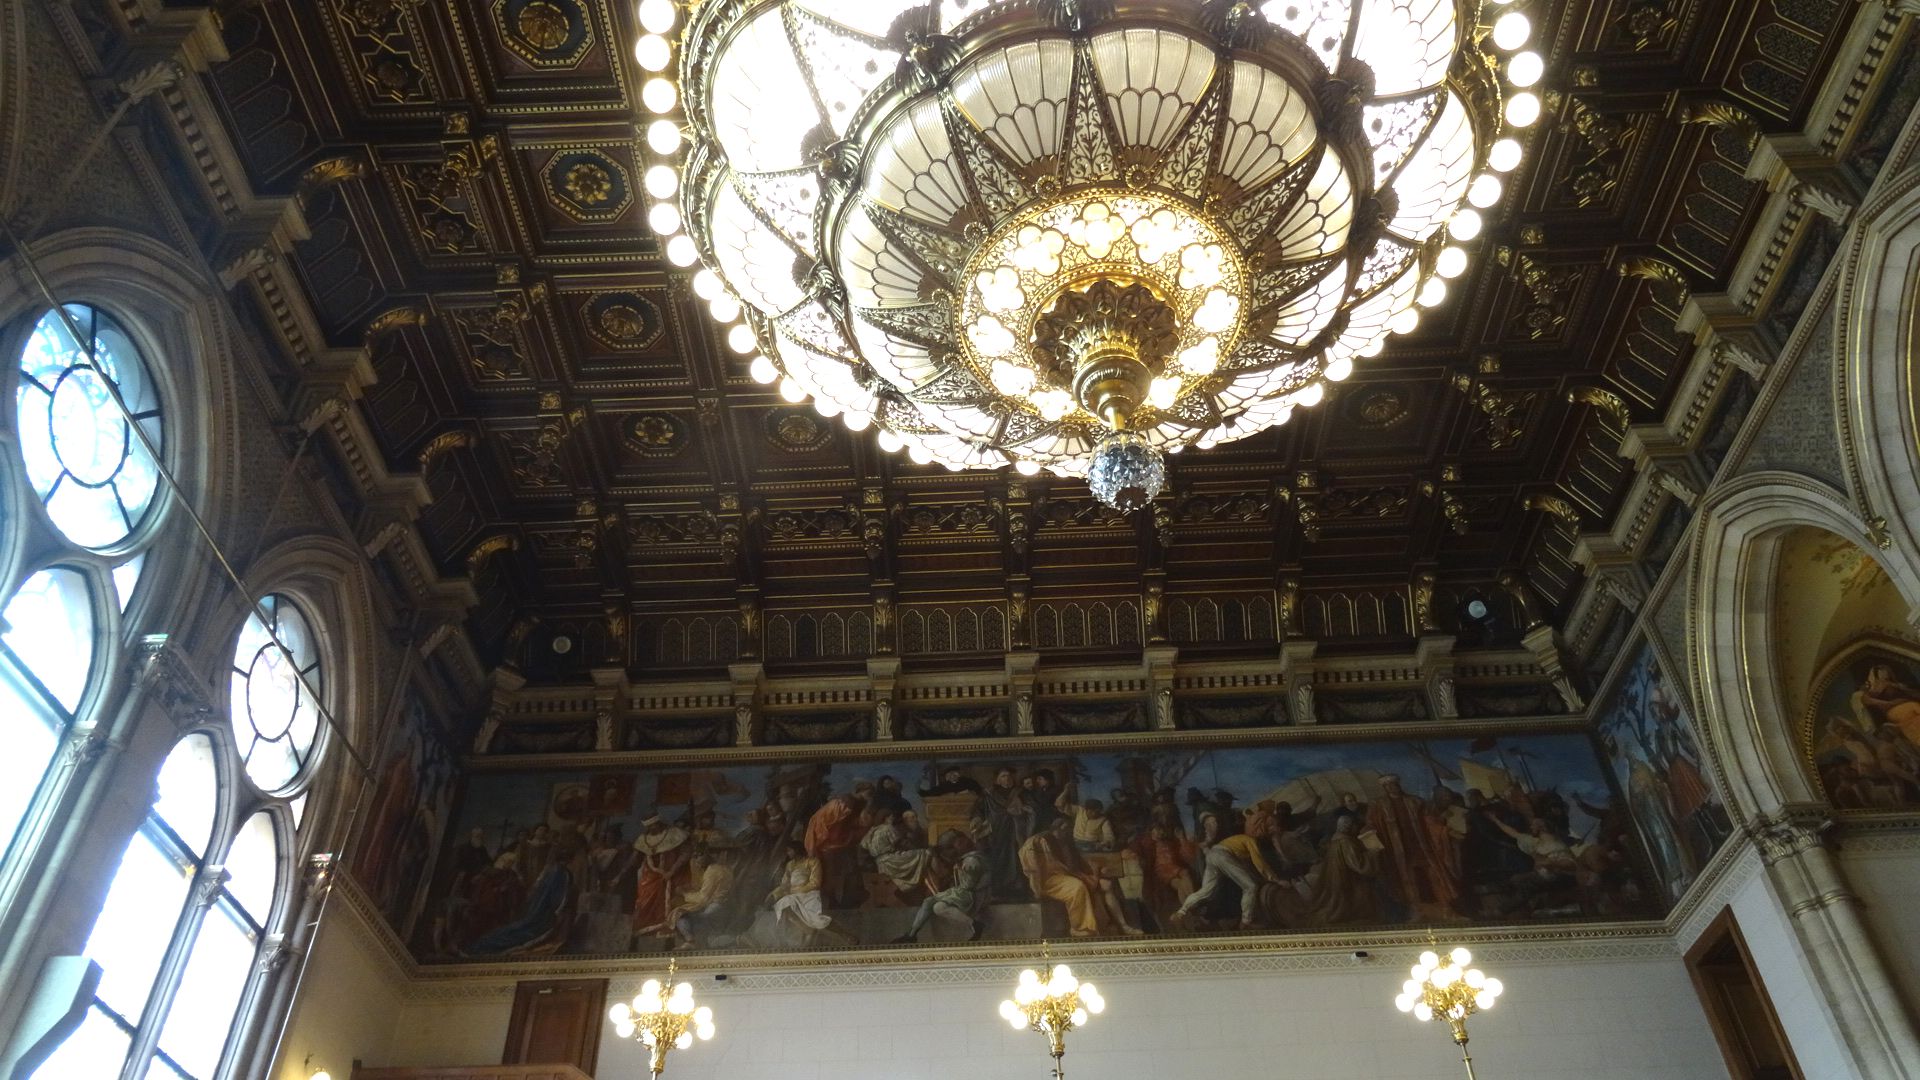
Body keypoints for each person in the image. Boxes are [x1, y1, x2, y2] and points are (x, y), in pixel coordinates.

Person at [1019, 817, 1142, 936]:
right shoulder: (1042, 840)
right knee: (1078, 887)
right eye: (1065, 829)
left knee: (1107, 885)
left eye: (1068, 830)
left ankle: (1123, 926)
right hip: (1052, 879)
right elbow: (1034, 862)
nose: (1067, 832)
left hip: (1073, 875)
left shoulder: (1066, 842)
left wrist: (1096, 870)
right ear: (1056, 829)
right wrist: (1035, 884)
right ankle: (1081, 928)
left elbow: (1078, 862)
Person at [1367, 775, 1457, 919]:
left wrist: (1441, 825)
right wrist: (1370, 839)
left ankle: (1445, 906)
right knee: (1407, 879)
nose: (1393, 787)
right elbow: (1372, 824)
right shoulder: (1379, 805)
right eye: (1389, 785)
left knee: (1434, 874)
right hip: (1398, 851)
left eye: (1394, 784)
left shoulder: (1414, 801)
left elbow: (1429, 819)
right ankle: (1415, 909)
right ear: (1385, 788)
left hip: (1420, 846)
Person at [1172, 824, 1281, 930]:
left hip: (1212, 855)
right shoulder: (1250, 840)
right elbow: (1259, 863)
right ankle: (1246, 922)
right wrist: (1275, 879)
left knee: (1205, 891)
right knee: (1250, 886)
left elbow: (1245, 867)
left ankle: (1180, 912)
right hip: (1222, 855)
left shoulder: (1238, 839)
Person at [895, 830, 989, 942]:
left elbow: (969, 885)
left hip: (971, 896)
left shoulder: (971, 860)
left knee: (930, 903)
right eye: (955, 844)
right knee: (937, 907)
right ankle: (912, 934)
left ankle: (911, 935)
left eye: (959, 843)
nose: (956, 847)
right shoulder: (965, 859)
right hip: (963, 893)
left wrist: (961, 870)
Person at [1307, 815, 1380, 925]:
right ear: (1348, 827)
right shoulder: (1346, 842)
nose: (1356, 828)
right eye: (1354, 825)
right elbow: (1359, 865)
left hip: (1339, 877)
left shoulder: (1336, 839)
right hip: (1348, 880)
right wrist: (1373, 851)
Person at [804, 790, 869, 908]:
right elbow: (823, 836)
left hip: (838, 848)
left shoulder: (845, 814)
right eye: (846, 807)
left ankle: (849, 900)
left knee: (851, 872)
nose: (848, 810)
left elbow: (847, 831)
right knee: (828, 877)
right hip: (826, 850)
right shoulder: (831, 811)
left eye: (850, 808)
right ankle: (832, 902)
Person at [630, 815, 692, 934]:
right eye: (648, 826)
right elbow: (636, 857)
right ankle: (645, 929)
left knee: (667, 902)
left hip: (670, 876)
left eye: (653, 825)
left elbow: (685, 853)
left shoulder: (675, 834)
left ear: (659, 823)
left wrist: (672, 871)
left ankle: (664, 928)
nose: (651, 828)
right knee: (644, 901)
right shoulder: (644, 838)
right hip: (649, 877)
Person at [980, 767, 1034, 900]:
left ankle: (1018, 888)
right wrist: (976, 819)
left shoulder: (1020, 793)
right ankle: (998, 889)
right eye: (1003, 776)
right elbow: (979, 810)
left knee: (1016, 857)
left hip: (1015, 831)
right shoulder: (989, 794)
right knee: (998, 858)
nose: (1007, 779)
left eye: (1009, 776)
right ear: (998, 779)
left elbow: (1031, 808)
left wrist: (1025, 810)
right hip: (997, 831)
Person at [664, 850, 734, 949]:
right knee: (712, 940)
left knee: (680, 915)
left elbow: (703, 898)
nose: (696, 860)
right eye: (695, 856)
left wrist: (684, 894)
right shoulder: (725, 869)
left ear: (710, 854)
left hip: (714, 908)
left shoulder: (712, 871)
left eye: (699, 856)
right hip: (721, 906)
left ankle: (691, 942)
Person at [862, 808, 934, 900]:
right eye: (891, 817)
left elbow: (863, 847)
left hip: (880, 863)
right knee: (923, 853)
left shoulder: (872, 831)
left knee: (919, 855)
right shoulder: (888, 828)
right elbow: (901, 843)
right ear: (885, 818)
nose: (892, 819)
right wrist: (915, 849)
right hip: (891, 861)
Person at [769, 841, 835, 937]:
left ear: (796, 850)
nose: (788, 853)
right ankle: (807, 930)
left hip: (809, 895)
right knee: (783, 904)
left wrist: (795, 891)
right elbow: (785, 884)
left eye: (789, 850)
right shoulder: (790, 865)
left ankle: (810, 931)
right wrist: (774, 894)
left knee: (814, 918)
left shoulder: (813, 862)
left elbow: (815, 883)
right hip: (793, 896)